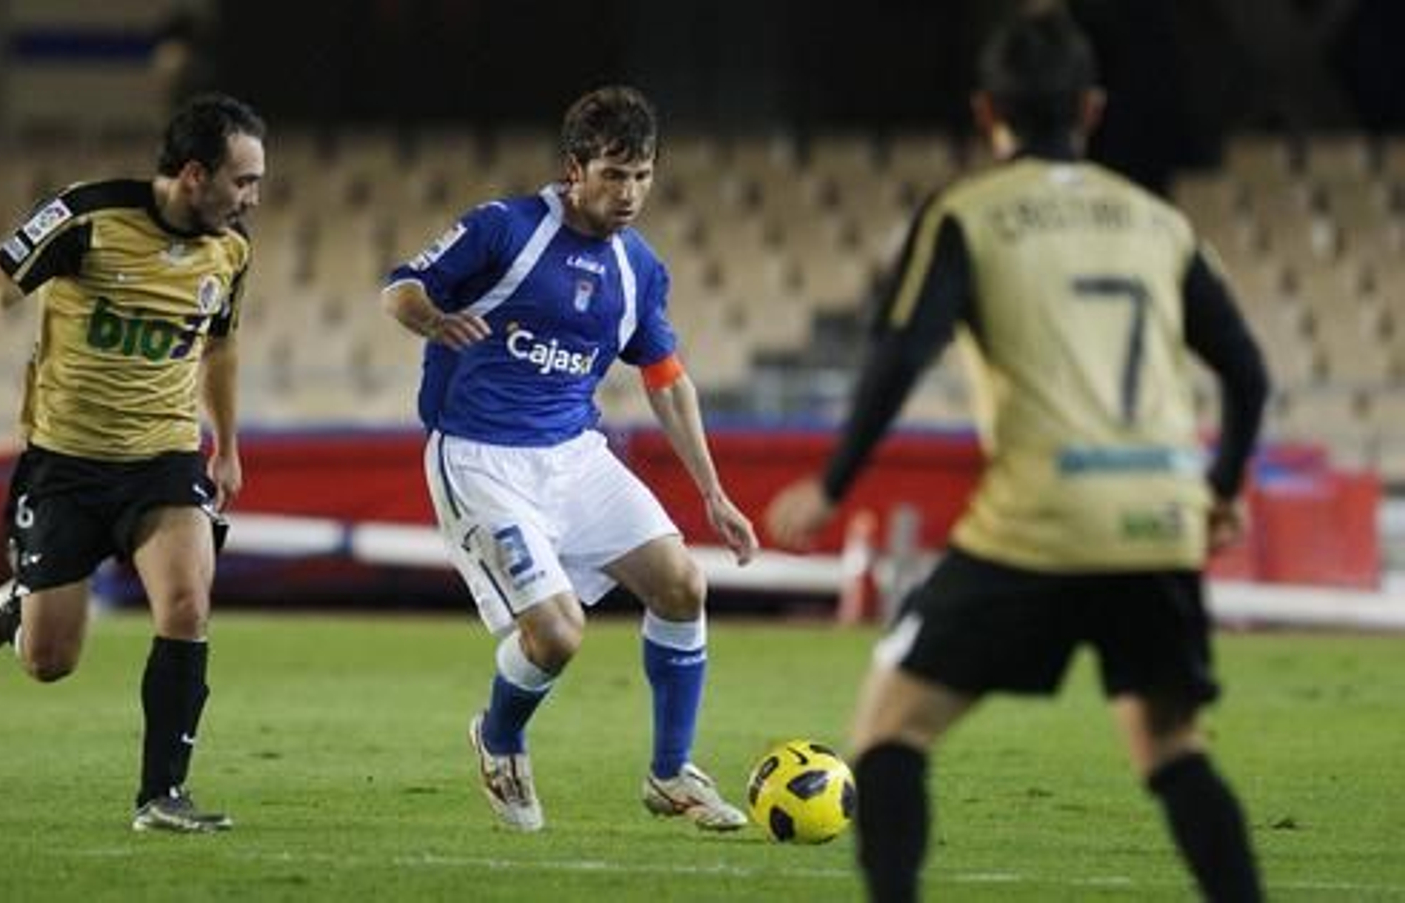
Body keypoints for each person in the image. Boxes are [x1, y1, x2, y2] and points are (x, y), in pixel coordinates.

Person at [766, 10, 1268, 903]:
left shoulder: (967, 212)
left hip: (1037, 521)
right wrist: (1221, 489)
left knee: (887, 735)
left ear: (986, 110)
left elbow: (899, 354)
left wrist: (833, 481)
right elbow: (1249, 374)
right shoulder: (1158, 222)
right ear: (1092, 107)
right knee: (1172, 751)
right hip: (1157, 518)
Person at [382, 85, 759, 833]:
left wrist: (713, 493)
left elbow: (667, 379)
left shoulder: (638, 269)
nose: (630, 193)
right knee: (555, 635)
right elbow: (399, 288)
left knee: (683, 584)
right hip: (483, 459)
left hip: (574, 455)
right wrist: (432, 317)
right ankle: (499, 740)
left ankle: (669, 773)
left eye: (643, 175)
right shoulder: (504, 229)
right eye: (614, 174)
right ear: (574, 168)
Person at [0, 93, 265, 833]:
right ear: (196, 175)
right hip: (66, 462)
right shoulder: (86, 217)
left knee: (186, 604)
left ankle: (160, 795)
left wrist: (225, 443)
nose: (253, 198)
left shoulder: (231, 249)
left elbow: (221, 347)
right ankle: (20, 598)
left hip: (163, 457)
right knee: (49, 661)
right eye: (243, 181)